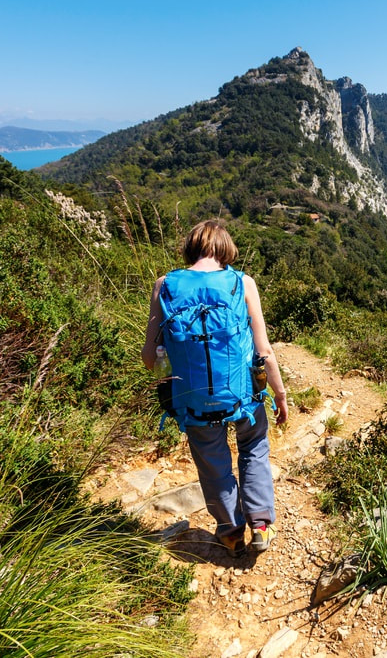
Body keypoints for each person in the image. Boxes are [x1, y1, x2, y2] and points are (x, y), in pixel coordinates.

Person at [142, 220, 288, 556]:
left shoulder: (164, 285)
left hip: (193, 402)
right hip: (244, 398)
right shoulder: (242, 283)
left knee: (212, 463)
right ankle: (262, 525)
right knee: (253, 448)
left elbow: (150, 357)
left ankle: (231, 530)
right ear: (225, 250)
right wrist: (279, 395)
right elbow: (264, 351)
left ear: (191, 247)